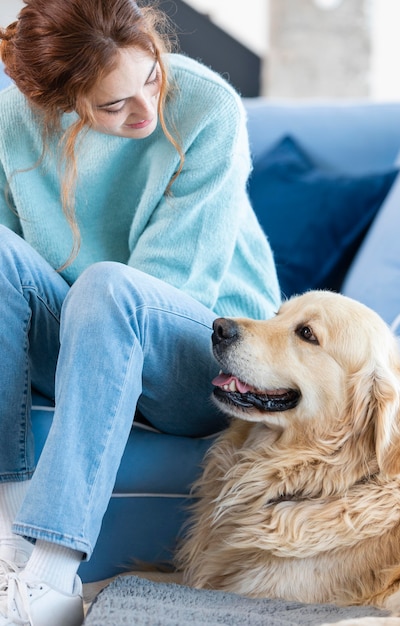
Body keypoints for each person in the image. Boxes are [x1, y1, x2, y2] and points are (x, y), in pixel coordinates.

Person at [0, 0, 281, 624]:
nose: (147, 111)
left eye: (151, 76)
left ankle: (50, 579)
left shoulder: (208, 108)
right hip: (86, 338)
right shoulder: (11, 122)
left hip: (202, 356)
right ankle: (6, 546)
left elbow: (164, 285)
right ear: (60, 104)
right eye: (112, 104)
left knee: (109, 287)